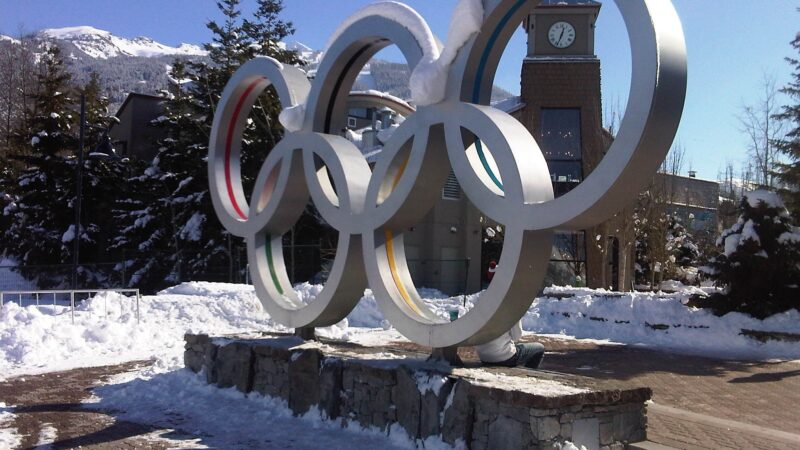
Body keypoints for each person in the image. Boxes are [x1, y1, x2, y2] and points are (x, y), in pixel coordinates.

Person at [476, 321, 545, 368]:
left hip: (483, 356)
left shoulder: (481, 307)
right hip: (504, 358)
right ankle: (529, 376)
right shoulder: (511, 309)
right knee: (540, 348)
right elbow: (516, 337)